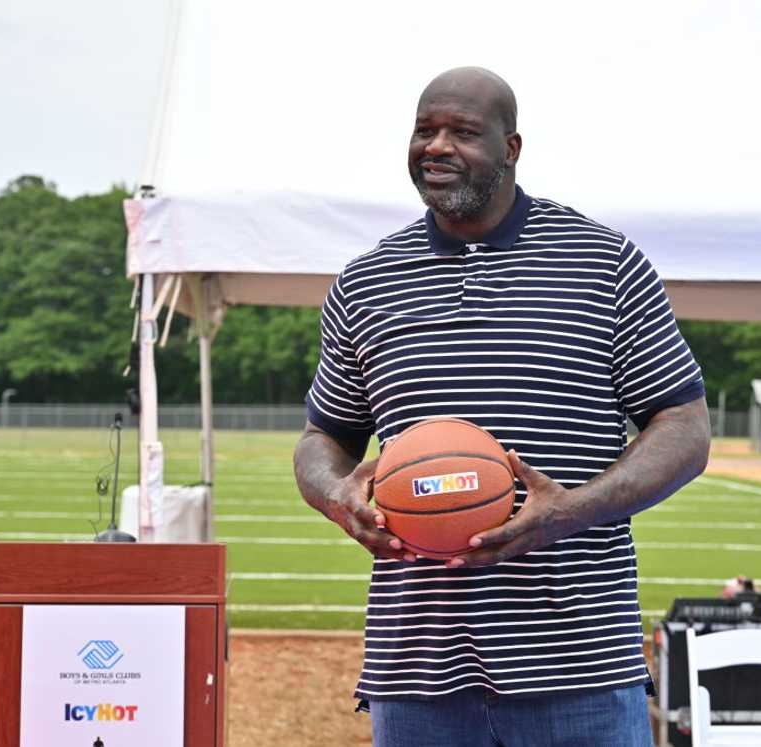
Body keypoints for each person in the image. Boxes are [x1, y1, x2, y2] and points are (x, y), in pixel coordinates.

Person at [294, 66, 711, 747]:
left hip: (577, 667)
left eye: (462, 131)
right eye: (424, 130)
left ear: (512, 148)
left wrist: (571, 509)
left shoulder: (604, 263)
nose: (437, 146)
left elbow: (685, 429)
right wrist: (335, 492)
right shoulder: (366, 282)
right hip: (417, 672)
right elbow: (322, 436)